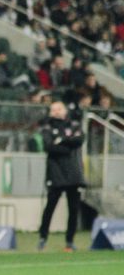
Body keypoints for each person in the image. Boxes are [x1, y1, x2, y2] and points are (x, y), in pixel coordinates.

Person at [38, 101, 85, 252]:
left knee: (73, 209)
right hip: (56, 173)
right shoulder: (47, 127)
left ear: (65, 110)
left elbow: (79, 140)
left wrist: (61, 141)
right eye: (53, 109)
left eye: (59, 109)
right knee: (50, 207)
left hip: (73, 174)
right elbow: (49, 146)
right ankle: (43, 238)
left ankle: (70, 241)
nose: (56, 112)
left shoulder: (74, 124)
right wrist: (67, 145)